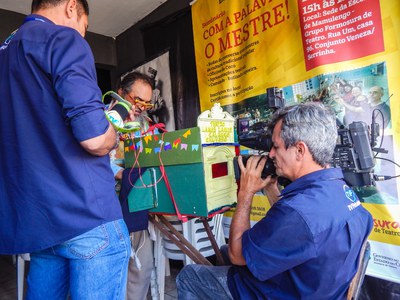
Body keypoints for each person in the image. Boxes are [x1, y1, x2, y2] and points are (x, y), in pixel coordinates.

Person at [0, 1, 131, 299]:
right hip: (86, 215)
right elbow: (96, 140)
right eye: (85, 27)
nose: (82, 36)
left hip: (40, 225)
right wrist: (113, 128)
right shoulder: (62, 39)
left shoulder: (6, 56)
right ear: (72, 8)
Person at [176, 102, 373, 299]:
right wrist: (271, 187)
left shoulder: (297, 213)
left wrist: (246, 193)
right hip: (317, 288)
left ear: (299, 150)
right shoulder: (341, 190)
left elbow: (238, 254)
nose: (270, 154)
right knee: (223, 251)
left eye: (276, 147)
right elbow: (297, 227)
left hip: (275, 292)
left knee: (190, 275)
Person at [109, 71, 156, 300]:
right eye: (136, 100)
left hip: (135, 199)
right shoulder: (101, 118)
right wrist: (117, 173)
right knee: (110, 268)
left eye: (146, 103)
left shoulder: (144, 125)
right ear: (120, 93)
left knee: (142, 265)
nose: (141, 107)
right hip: (105, 205)